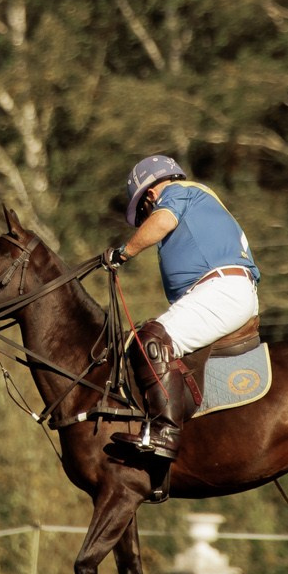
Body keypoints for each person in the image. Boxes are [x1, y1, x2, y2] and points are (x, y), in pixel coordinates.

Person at [104, 154, 261, 467]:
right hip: (224, 290)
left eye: (145, 212)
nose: (150, 216)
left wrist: (123, 253)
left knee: (149, 341)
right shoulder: (197, 199)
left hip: (220, 289)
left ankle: (166, 431)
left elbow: (162, 221)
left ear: (150, 195)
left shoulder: (177, 193)